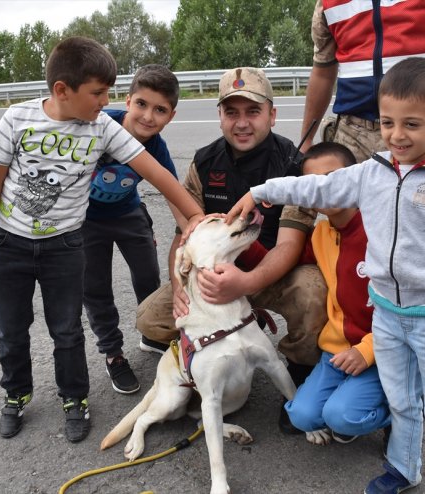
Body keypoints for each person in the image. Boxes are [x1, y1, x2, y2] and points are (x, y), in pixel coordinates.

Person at [227, 57, 425, 494]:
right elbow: (315, 188)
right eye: (388, 122)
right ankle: (404, 470)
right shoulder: (373, 172)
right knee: (403, 402)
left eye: (412, 124)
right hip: (387, 316)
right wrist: (260, 191)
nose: (397, 135)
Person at [0, 37, 203, 443]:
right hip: (10, 243)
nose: (105, 100)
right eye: (98, 92)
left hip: (64, 246)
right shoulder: (17, 118)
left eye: (108, 92)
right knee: (10, 327)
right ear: (62, 90)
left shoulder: (103, 127)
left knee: (67, 329)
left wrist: (195, 217)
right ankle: (16, 394)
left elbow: (159, 175)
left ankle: (74, 397)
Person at [135, 67, 328, 433]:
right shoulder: (204, 162)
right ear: (220, 116)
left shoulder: (294, 164)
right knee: (149, 319)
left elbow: (289, 245)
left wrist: (245, 283)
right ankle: (215, 352)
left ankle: (300, 372)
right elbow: (184, 235)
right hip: (216, 282)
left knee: (314, 291)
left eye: (253, 112)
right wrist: (179, 287)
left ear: (272, 114)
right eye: (232, 112)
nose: (242, 123)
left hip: (273, 272)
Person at [283, 142, 391, 446]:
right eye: (313, 183)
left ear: (355, 178)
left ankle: (404, 409)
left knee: (342, 417)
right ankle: (350, 401)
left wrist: (367, 351)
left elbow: (405, 307)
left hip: (385, 349)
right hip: (336, 350)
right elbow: (282, 260)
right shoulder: (321, 234)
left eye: (333, 177)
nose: (324, 188)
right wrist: (240, 238)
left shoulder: (382, 231)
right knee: (301, 416)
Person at [83, 64, 180, 395]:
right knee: (95, 288)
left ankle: (153, 334)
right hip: (86, 221)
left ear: (172, 115)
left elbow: (174, 194)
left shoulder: (157, 148)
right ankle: (113, 354)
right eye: (142, 104)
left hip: (128, 213)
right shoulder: (98, 124)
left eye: (160, 110)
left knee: (147, 277)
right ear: (128, 101)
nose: (148, 116)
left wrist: (192, 228)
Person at [300, 0, 425, 166]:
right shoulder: (327, 3)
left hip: (418, 127)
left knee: (420, 205)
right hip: (352, 132)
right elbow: (323, 72)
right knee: (347, 208)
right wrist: (306, 140)